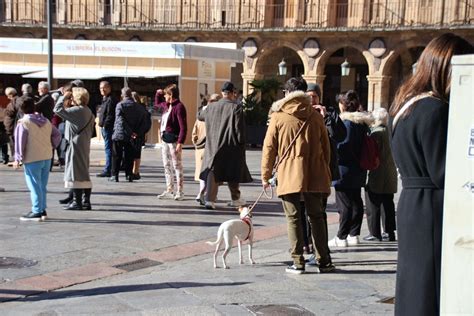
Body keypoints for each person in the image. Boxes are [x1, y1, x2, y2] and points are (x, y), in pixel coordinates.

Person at [389, 33, 473, 316]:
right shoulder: (436, 109)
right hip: (433, 206)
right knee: (432, 283)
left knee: (414, 280)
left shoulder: (404, 106)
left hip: (412, 202)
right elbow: (443, 172)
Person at [261, 77, 334, 274]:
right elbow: (326, 149)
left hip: (288, 171)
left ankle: (298, 261)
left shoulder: (278, 116)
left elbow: (269, 148)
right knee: (317, 216)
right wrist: (324, 168)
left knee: (293, 217)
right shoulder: (316, 116)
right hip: (315, 171)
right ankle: (324, 261)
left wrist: (265, 175)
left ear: (287, 93)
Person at [305, 83, 347, 264]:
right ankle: (311, 246)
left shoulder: (329, 115)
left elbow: (339, 136)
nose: (311, 100)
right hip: (306, 169)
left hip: (324, 169)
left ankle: (320, 250)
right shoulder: (302, 114)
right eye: (308, 96)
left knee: (318, 211)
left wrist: (327, 118)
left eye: (314, 96)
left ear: (319, 97)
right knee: (308, 211)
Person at [328, 90, 373, 248]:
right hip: (359, 168)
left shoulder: (346, 123)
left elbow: (343, 146)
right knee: (356, 201)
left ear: (343, 105)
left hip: (344, 169)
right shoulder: (362, 123)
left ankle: (341, 237)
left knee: (344, 203)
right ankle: (354, 234)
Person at [198, 81, 253, 210]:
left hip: (213, 145)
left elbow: (200, 116)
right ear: (232, 93)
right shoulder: (236, 107)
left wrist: (206, 106)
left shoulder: (211, 107)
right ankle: (235, 198)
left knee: (212, 170)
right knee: (232, 171)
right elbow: (239, 130)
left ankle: (209, 200)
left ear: (223, 93)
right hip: (230, 145)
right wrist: (242, 142)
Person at [13, 97, 61, 221]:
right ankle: (42, 209)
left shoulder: (23, 123)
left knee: (34, 185)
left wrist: (17, 158)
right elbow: (57, 134)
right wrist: (52, 145)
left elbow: (20, 142)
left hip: (32, 157)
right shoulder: (45, 120)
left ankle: (36, 211)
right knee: (42, 185)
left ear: (21, 109)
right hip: (46, 156)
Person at [54, 87, 95, 210]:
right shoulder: (88, 111)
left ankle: (77, 202)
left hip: (75, 145)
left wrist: (64, 96)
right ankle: (86, 201)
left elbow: (57, 109)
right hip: (83, 144)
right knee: (83, 171)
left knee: (75, 172)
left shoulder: (77, 111)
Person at [363, 108, 397, 242]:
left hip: (377, 172)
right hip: (389, 171)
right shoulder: (389, 131)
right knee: (388, 203)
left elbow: (372, 154)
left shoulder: (376, 133)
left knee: (373, 202)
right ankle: (389, 232)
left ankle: (374, 232)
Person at [110, 87, 151, 183]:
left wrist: (129, 131)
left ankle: (114, 175)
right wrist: (137, 132)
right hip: (132, 136)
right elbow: (145, 122)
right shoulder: (138, 107)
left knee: (116, 155)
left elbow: (120, 120)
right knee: (129, 155)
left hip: (120, 134)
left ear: (122, 95)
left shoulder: (120, 105)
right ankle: (129, 175)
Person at [155, 84, 187, 200]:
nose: (164, 97)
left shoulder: (179, 107)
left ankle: (180, 191)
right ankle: (169, 189)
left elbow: (183, 127)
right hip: (164, 139)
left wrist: (180, 142)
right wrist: (158, 94)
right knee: (166, 165)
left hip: (173, 140)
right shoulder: (166, 106)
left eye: (166, 94)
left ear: (171, 95)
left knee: (177, 165)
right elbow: (157, 105)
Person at [192, 93, 221, 205]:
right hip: (211, 148)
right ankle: (204, 195)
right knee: (210, 174)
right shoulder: (215, 116)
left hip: (200, 149)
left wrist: (197, 143)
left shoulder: (201, 115)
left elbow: (194, 133)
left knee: (203, 174)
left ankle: (203, 194)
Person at [96, 81, 117, 178]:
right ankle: (109, 168)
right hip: (105, 127)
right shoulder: (105, 99)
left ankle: (108, 169)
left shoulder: (111, 99)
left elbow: (110, 114)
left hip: (108, 127)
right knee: (108, 148)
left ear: (109, 88)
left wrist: (105, 125)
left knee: (108, 149)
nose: (102, 90)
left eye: (104, 88)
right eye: (100, 88)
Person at [131, 91, 151, 180]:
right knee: (137, 153)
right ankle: (136, 171)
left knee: (133, 153)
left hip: (134, 134)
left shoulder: (135, 109)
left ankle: (134, 171)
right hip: (140, 134)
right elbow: (147, 124)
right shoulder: (144, 109)